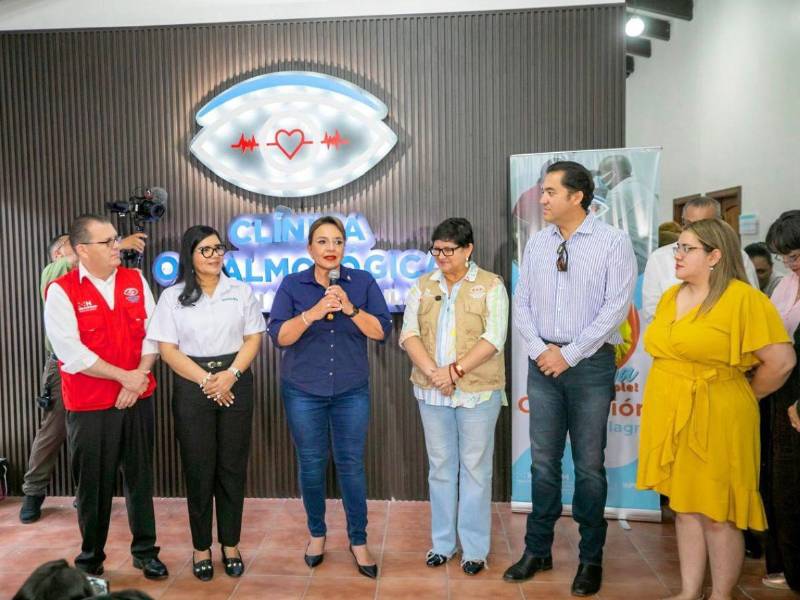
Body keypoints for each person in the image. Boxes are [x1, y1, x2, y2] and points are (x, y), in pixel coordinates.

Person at [636, 218, 795, 600]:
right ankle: (690, 591)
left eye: (687, 248)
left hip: (719, 413)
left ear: (714, 256)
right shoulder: (673, 296)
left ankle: (721, 595)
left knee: (718, 511)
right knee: (686, 507)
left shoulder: (743, 299)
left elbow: (782, 361)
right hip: (672, 412)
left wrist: (746, 395)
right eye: (678, 248)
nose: (677, 255)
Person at [504, 161, 637, 596]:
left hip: (590, 364)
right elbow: (520, 303)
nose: (541, 199)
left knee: (588, 466)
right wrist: (544, 351)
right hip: (543, 362)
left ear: (577, 196)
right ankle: (537, 550)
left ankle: (590, 559)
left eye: (549, 192)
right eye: (542, 192)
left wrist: (571, 353)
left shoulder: (613, 242)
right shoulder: (537, 243)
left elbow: (617, 307)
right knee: (543, 463)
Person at [267, 216, 392, 579]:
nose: (330, 248)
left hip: (351, 390)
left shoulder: (363, 282)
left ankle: (358, 540)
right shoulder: (292, 285)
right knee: (311, 465)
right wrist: (313, 313)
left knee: (351, 464)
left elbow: (381, 330)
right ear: (310, 248)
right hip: (304, 390)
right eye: (322, 242)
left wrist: (349, 308)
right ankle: (317, 534)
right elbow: (279, 337)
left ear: (344, 248)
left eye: (337, 241)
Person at [43, 214, 167, 580]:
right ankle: (91, 561)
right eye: (108, 242)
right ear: (82, 250)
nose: (118, 247)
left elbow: (153, 332)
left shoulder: (134, 280)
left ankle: (146, 551)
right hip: (91, 405)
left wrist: (137, 379)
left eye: (116, 240)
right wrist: (124, 378)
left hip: (137, 397)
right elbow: (71, 351)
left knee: (140, 479)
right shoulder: (62, 291)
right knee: (94, 486)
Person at [146, 225, 264, 581]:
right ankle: (201, 547)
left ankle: (230, 544)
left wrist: (230, 376)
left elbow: (253, 337)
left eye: (218, 249)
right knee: (198, 471)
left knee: (231, 468)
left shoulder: (240, 291)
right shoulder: (173, 296)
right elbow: (166, 348)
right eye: (206, 250)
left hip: (236, 383)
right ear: (190, 256)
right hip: (192, 386)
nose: (215, 256)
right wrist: (207, 380)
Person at [399, 218, 509, 576]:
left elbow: (494, 338)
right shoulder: (422, 285)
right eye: (436, 249)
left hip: (477, 392)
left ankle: (474, 550)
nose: (441, 257)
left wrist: (454, 372)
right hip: (431, 391)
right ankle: (442, 544)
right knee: (441, 469)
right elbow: (408, 334)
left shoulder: (491, 285)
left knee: (475, 469)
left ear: (468, 249)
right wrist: (435, 372)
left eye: (449, 250)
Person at [20, 232, 147, 524]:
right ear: (60, 253)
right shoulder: (54, 272)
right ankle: (33, 491)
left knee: (99, 433)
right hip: (66, 367)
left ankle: (86, 495)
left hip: (107, 366)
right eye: (75, 245)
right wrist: (120, 244)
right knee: (54, 431)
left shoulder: (106, 276)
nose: (105, 249)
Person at [760, 210, 800, 591]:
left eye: (797, 254)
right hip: (779, 395)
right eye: (786, 257)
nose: (793, 264)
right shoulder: (784, 287)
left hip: (798, 400)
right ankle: (788, 566)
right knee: (781, 485)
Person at [642, 197, 759, 322]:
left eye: (704, 224)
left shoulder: (736, 255)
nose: (696, 230)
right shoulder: (660, 258)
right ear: (683, 224)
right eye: (690, 225)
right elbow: (652, 311)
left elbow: (751, 307)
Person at [597, 154, 659, 274]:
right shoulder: (641, 188)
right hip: (648, 255)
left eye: (602, 174)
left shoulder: (619, 192)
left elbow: (599, 225)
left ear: (613, 172)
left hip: (636, 258)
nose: (601, 179)